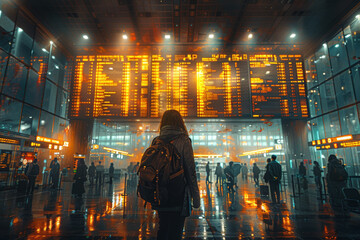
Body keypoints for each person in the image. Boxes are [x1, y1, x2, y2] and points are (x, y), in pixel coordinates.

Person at [153, 110, 200, 240]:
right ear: (180, 122)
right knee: (176, 230)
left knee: (162, 229)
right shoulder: (184, 140)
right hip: (179, 194)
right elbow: (190, 171)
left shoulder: (156, 141)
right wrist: (196, 198)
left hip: (161, 193)